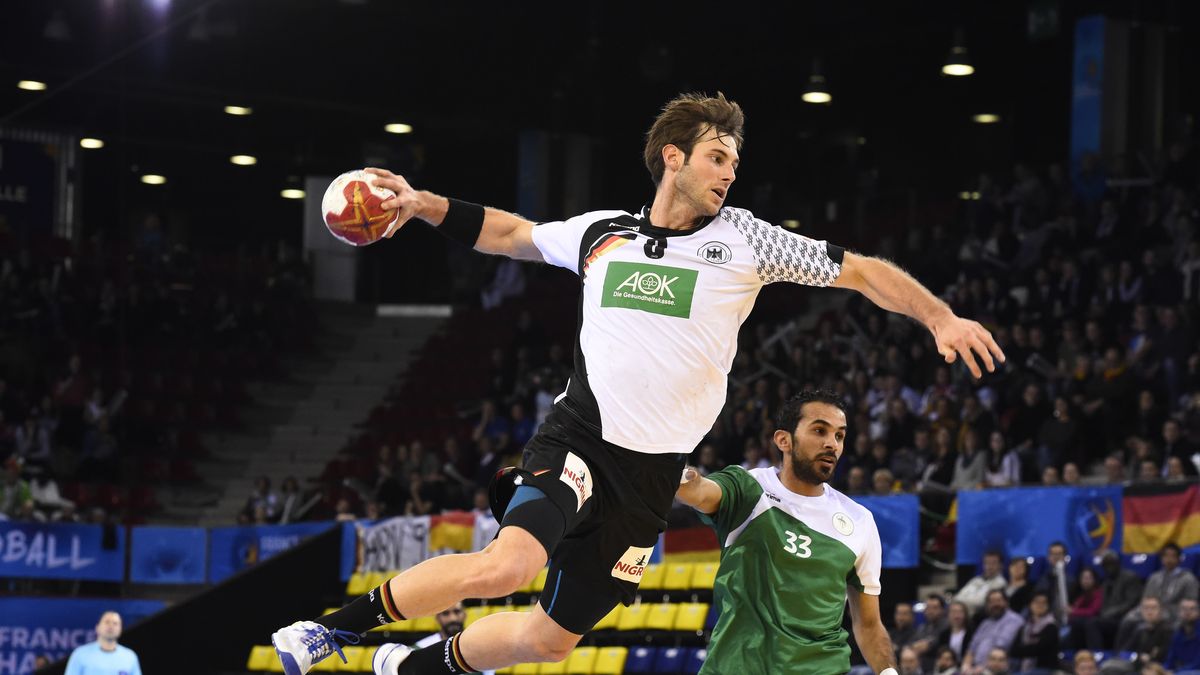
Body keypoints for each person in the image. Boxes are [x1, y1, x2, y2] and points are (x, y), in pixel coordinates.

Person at [271, 91, 1005, 675]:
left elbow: (862, 271)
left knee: (552, 640)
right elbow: (514, 234)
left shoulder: (747, 240)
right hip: (581, 438)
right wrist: (425, 204)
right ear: (672, 157)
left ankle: (412, 665)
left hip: (653, 475)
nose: (729, 171)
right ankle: (330, 630)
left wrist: (938, 317)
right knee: (508, 565)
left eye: (735, 161)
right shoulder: (603, 234)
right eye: (717, 156)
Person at [674, 390, 896, 673]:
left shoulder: (860, 520)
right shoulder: (749, 488)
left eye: (839, 435)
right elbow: (696, 491)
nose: (832, 444)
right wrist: (674, 471)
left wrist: (889, 672)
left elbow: (868, 624)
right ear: (783, 440)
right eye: (820, 430)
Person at [402, 604, 495, 675]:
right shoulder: (420, 649)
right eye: (446, 613)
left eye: (457, 612)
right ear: (437, 617)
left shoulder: (481, 647)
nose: (452, 618)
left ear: (465, 614)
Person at [962, 590, 1023, 675]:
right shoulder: (985, 623)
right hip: (977, 669)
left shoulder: (1013, 620)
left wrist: (981, 669)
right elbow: (972, 647)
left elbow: (1001, 647)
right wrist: (966, 667)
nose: (995, 604)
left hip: (998, 669)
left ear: (1006, 602)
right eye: (991, 601)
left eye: (998, 600)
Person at [65, 611, 142, 675]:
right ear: (97, 627)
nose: (111, 626)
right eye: (107, 622)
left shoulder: (130, 657)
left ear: (120, 629)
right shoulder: (80, 654)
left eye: (115, 623)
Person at [1008, 592, 1059, 672]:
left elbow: (1040, 649)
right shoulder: (1025, 626)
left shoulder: (1051, 626)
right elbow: (1014, 650)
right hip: (1023, 667)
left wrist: (1022, 651)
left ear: (1048, 606)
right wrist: (1025, 650)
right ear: (1030, 605)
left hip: (1044, 668)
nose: (1040, 605)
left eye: (1044, 602)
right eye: (1037, 602)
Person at [1164, 598, 1200, 674]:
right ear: (1179, 612)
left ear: (1198, 612)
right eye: (1184, 609)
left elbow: (1197, 664)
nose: (1188, 612)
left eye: (1192, 609)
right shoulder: (1177, 635)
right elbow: (1170, 660)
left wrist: (1175, 671)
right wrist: (1162, 671)